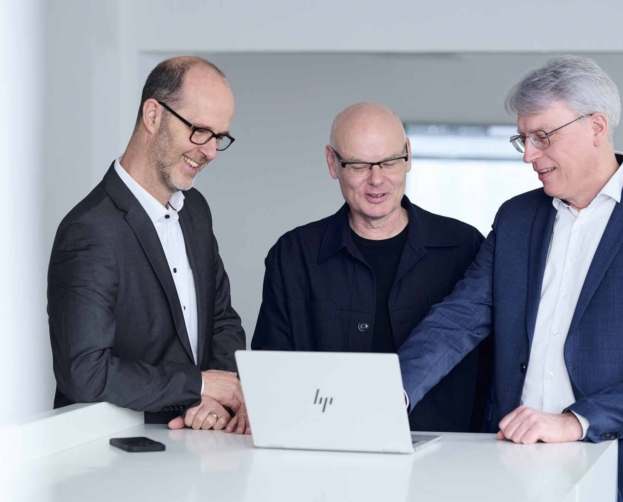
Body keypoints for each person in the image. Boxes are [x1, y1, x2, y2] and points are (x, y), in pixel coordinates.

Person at [398, 56, 623, 500]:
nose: (528, 155)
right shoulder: (516, 218)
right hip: (512, 467)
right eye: (523, 139)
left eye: (543, 137)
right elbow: (458, 318)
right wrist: (392, 395)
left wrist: (575, 422)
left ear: (596, 127)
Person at [251, 102, 492, 432]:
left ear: (408, 156)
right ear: (332, 163)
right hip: (325, 447)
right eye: (358, 165)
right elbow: (272, 370)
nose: (377, 180)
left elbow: (490, 369)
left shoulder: (465, 246)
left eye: (389, 162)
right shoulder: (294, 255)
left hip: (447, 454)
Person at [48, 56, 250, 434]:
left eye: (219, 137)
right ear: (153, 115)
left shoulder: (196, 211)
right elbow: (85, 373)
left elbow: (222, 320)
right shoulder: (89, 230)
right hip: (113, 453)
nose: (210, 151)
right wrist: (198, 386)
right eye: (200, 131)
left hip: (195, 445)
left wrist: (218, 397)